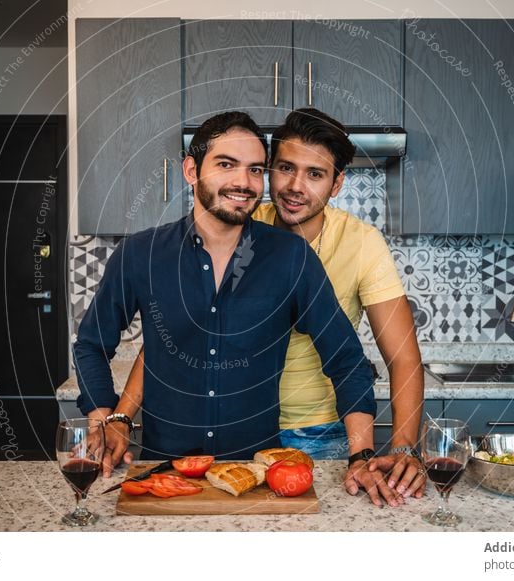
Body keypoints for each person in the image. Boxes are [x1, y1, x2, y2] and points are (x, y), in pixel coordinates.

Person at [101, 109, 427, 507]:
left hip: (318, 432)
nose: (294, 186)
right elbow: (176, 333)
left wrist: (401, 448)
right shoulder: (237, 218)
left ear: (337, 183)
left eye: (315, 174)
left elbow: (401, 358)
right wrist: (120, 415)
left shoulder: (361, 244)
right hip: (237, 434)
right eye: (284, 168)